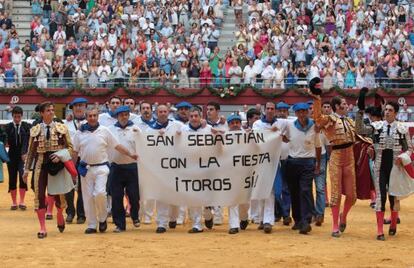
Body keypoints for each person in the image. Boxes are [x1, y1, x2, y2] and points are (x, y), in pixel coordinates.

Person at [72, 107, 138, 234]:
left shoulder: (105, 131)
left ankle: (102, 218)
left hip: (102, 167)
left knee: (100, 193)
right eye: (90, 116)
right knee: (88, 197)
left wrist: (130, 154)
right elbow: (75, 152)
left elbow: (117, 146)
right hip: (85, 168)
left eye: (94, 116)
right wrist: (72, 171)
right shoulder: (79, 133)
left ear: (98, 117)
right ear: (86, 117)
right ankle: (92, 224)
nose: (92, 118)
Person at [356, 95, 412, 240]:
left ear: (396, 113)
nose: (386, 112)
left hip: (395, 167)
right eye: (386, 109)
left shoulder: (402, 129)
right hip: (379, 167)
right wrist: (360, 111)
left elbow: (410, 149)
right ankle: (380, 231)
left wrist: (403, 158)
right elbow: (359, 129)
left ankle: (393, 223)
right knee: (381, 197)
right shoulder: (376, 126)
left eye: (390, 110)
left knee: (393, 197)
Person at [309, 78, 357, 238]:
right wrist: (317, 98)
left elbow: (361, 136)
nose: (346, 106)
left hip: (349, 157)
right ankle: (335, 226)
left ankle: (343, 216)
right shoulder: (330, 119)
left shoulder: (350, 121)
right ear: (337, 106)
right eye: (344, 104)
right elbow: (317, 118)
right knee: (335, 194)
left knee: (352, 196)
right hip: (336, 156)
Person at [23, 102, 75, 239]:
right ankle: (42, 227)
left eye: (52, 110)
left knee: (59, 195)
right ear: (42, 113)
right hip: (41, 164)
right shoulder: (35, 130)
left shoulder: (61, 128)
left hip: (56, 164)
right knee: (39, 195)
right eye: (48, 110)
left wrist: (60, 155)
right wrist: (26, 170)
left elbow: (70, 148)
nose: (51, 112)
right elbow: (31, 152)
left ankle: (59, 214)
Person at [252, 102, 289, 233]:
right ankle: (262, 219)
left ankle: (268, 221)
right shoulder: (257, 124)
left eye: (272, 109)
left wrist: (279, 134)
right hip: (259, 161)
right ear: (264, 110)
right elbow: (257, 138)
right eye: (267, 108)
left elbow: (290, 133)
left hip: (274, 161)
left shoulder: (282, 123)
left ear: (276, 111)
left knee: (272, 191)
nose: (270, 111)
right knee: (261, 190)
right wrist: (271, 131)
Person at [285, 102, 321, 234]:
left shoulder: (314, 126)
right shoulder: (289, 125)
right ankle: (298, 220)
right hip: (292, 162)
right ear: (295, 113)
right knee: (294, 192)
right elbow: (282, 136)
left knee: (305, 190)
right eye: (299, 112)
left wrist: (317, 163)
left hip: (307, 163)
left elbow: (318, 146)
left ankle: (306, 220)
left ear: (307, 112)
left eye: (304, 111)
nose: (302, 114)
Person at [149, 104, 183, 233]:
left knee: (175, 194)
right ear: (156, 113)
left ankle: (173, 218)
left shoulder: (177, 125)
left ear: (168, 112)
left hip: (176, 165)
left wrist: (182, 134)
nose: (163, 113)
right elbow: (147, 146)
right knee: (161, 196)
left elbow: (191, 134)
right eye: (160, 112)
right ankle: (161, 223)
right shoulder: (150, 129)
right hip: (160, 167)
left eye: (165, 111)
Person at [108, 106, 141, 233]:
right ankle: (120, 224)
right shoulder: (110, 130)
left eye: (126, 114)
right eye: (121, 115)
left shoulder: (136, 129)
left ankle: (135, 215)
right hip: (116, 167)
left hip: (132, 167)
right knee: (116, 197)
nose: (124, 117)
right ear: (117, 116)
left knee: (134, 196)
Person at [181, 106, 212, 233]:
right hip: (190, 167)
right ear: (188, 118)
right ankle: (197, 224)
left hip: (207, 167)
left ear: (201, 117)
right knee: (193, 197)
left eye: (196, 116)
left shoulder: (208, 129)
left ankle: (209, 214)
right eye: (191, 116)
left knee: (208, 198)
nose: (194, 118)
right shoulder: (182, 130)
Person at [64, 98, 87, 224]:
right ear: (72, 108)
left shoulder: (91, 122)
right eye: (76, 106)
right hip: (69, 158)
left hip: (84, 158)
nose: (78, 108)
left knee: (82, 187)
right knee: (69, 186)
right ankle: (70, 212)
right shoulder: (65, 124)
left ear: (85, 107)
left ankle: (81, 214)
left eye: (81, 106)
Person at [226, 114, 250, 234]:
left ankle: (244, 217)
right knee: (232, 199)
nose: (235, 124)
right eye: (232, 122)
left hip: (245, 171)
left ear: (240, 124)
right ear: (229, 125)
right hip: (229, 172)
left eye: (237, 122)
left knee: (245, 201)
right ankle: (234, 225)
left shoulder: (248, 134)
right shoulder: (223, 136)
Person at [5, 106, 31, 210]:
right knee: (12, 178)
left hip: (23, 157)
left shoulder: (26, 126)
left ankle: (22, 201)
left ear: (22, 116)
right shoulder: (8, 127)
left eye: (19, 117)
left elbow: (28, 140)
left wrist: (25, 153)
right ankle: (14, 202)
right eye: (15, 117)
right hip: (11, 156)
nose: (17, 119)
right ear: (12, 116)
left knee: (22, 176)